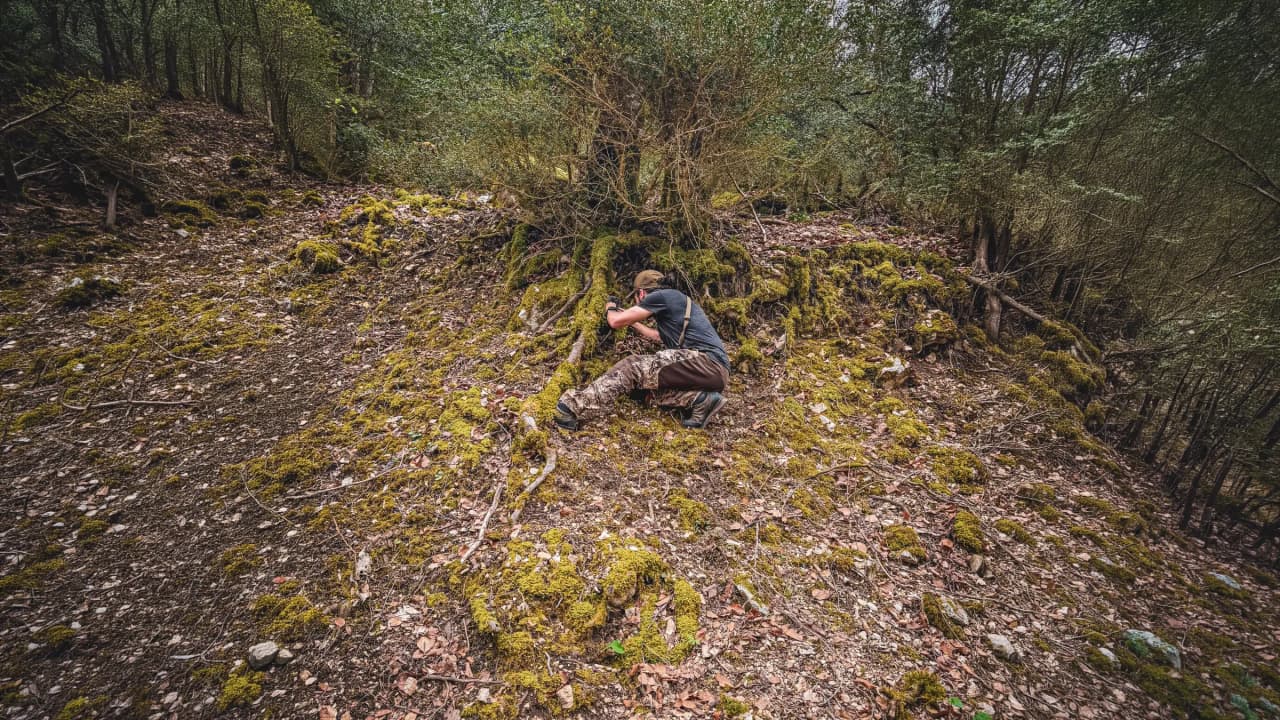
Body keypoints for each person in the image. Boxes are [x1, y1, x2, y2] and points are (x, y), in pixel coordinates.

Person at [554, 270, 730, 430]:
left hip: (706, 362)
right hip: (714, 372)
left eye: (637, 297)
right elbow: (655, 336)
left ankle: (571, 406)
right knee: (642, 391)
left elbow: (615, 322)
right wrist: (633, 322)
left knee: (633, 366)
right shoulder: (675, 302)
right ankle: (701, 400)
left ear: (642, 293)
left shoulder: (661, 296)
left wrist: (611, 309)